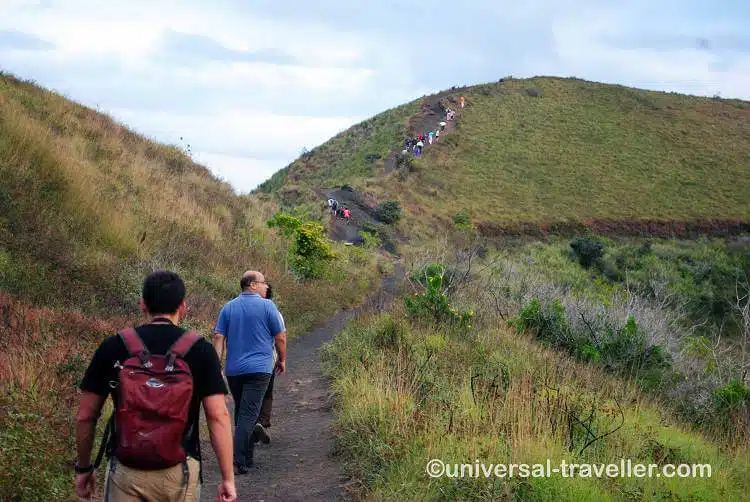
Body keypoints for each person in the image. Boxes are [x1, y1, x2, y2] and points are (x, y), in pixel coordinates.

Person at [75, 270, 236, 502]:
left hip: (126, 470)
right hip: (180, 472)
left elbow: (85, 415)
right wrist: (227, 478)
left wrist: (84, 468)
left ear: (143, 304)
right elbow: (218, 415)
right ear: (183, 306)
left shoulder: (114, 346)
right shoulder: (201, 350)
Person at [213, 271, 286, 474]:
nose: (266, 287)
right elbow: (280, 337)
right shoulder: (268, 306)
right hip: (260, 369)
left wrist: (216, 365)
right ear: (252, 284)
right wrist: (282, 359)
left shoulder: (228, 307)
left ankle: (247, 457)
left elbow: (219, 337)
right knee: (248, 413)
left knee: (243, 411)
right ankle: (237, 460)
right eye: (263, 283)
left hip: (234, 370)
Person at [257, 282, 284, 432]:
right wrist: (282, 358)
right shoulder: (274, 312)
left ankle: (248, 424)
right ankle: (262, 421)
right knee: (266, 390)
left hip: (240, 360)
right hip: (267, 358)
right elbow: (280, 337)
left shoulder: (235, 308)